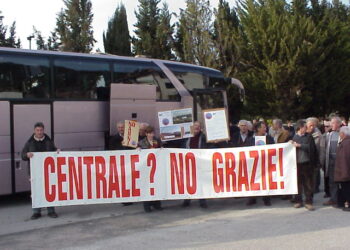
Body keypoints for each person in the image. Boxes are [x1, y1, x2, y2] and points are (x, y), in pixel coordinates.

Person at [21, 122, 60, 219]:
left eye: (41, 130)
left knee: (49, 191)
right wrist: (27, 155)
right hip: (34, 172)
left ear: (43, 130)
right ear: (34, 131)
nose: (39, 132)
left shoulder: (48, 141)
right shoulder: (29, 142)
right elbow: (23, 155)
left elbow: (54, 151)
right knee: (36, 192)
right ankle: (36, 212)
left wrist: (57, 151)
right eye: (37, 130)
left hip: (48, 171)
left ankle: (51, 211)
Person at [246, 121, 274, 206]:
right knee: (253, 181)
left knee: (266, 181)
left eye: (265, 127)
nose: (265, 129)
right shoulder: (251, 139)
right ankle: (252, 198)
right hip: (254, 163)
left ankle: (266, 199)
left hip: (265, 163)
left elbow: (274, 148)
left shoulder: (269, 138)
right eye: (263, 127)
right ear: (258, 129)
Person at [291, 120, 317, 211]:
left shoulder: (309, 137)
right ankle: (298, 201)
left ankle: (308, 202)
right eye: (305, 127)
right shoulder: (293, 137)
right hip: (296, 164)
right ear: (300, 128)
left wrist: (299, 145)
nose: (306, 128)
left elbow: (311, 148)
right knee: (297, 184)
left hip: (307, 163)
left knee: (308, 184)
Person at [182, 121, 208, 208]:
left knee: (200, 182)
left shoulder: (203, 137)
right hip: (189, 162)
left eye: (198, 126)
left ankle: (202, 201)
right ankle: (187, 200)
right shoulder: (187, 136)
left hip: (200, 162)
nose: (196, 127)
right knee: (189, 181)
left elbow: (208, 146)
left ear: (200, 128)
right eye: (195, 125)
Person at [138, 126, 163, 212]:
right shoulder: (141, 142)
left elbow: (161, 148)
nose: (151, 135)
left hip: (156, 167)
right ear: (146, 134)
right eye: (149, 133)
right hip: (146, 167)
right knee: (146, 187)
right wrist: (138, 149)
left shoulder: (157, 140)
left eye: (152, 133)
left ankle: (157, 204)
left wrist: (162, 149)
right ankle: (147, 206)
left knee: (156, 186)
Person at [323, 116, 342, 206]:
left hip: (340, 162)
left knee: (342, 181)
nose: (331, 124)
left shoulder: (344, 133)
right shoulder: (328, 135)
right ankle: (333, 199)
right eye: (331, 123)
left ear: (339, 124)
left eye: (333, 123)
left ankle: (342, 199)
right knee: (331, 181)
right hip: (330, 162)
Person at [306, 117, 324, 193]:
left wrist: (321, 161)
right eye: (310, 125)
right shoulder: (306, 132)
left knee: (315, 174)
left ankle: (315, 188)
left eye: (313, 125)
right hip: (308, 158)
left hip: (315, 157)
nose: (311, 127)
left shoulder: (317, 134)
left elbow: (320, 147)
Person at [334, 126, 350, 211]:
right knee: (343, 188)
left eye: (340, 133)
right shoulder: (346, 142)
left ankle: (348, 204)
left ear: (343, 134)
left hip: (344, 172)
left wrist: (344, 174)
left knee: (346, 189)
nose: (339, 135)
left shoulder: (345, 144)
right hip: (345, 171)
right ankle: (341, 203)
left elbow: (344, 160)